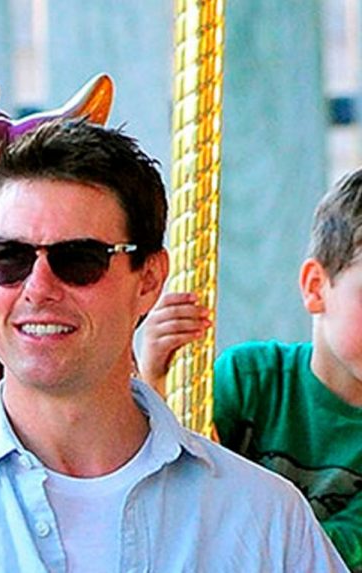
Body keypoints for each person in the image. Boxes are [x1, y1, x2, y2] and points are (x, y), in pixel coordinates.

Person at [0, 119, 348, 572]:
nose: (38, 288)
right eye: (9, 257)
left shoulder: (266, 522)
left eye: (80, 259)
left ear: (148, 280)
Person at [139, 169, 362, 570]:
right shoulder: (250, 380)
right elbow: (171, 489)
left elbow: (322, 555)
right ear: (316, 286)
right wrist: (155, 380)